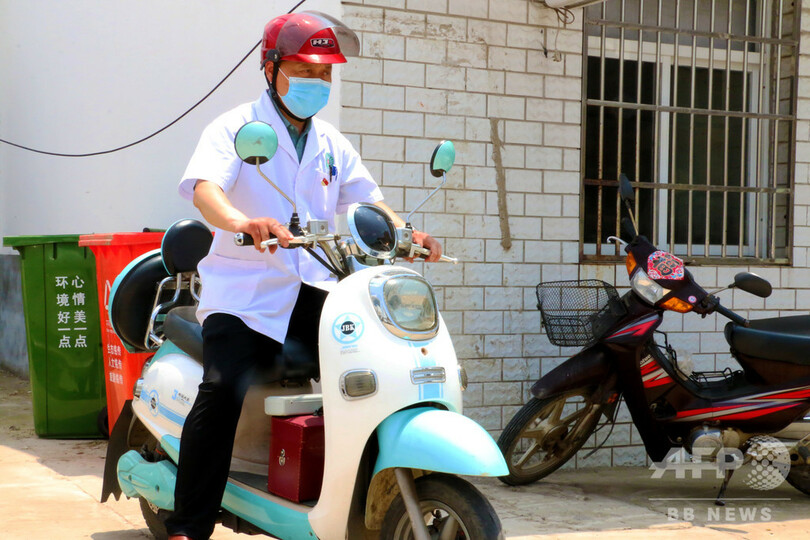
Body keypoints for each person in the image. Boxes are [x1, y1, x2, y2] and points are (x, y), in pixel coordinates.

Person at [165, 11, 442, 540]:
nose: (317, 82)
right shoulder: (234, 129)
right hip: (243, 296)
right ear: (271, 68)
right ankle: (188, 526)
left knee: (371, 369)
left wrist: (408, 235)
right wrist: (242, 223)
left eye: (325, 73)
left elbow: (367, 202)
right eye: (304, 70)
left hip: (314, 288)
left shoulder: (331, 143)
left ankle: (346, 497)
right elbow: (205, 190)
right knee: (221, 391)